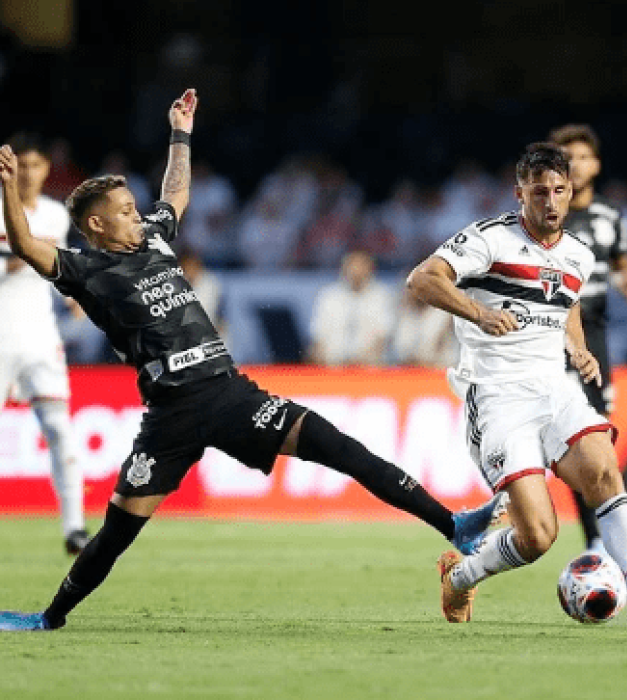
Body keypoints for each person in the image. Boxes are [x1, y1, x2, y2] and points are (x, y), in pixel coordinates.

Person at [0, 89, 502, 632]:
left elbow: (176, 190)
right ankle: (50, 617)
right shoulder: (85, 270)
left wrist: (181, 134)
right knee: (116, 533)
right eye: (123, 211)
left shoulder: (154, 241)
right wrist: (8, 189)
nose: (137, 215)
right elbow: (27, 245)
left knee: (340, 447)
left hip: (228, 391)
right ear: (96, 226)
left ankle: (454, 524)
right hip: (171, 414)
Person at [406, 142, 627, 631]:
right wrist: (479, 312)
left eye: (559, 190)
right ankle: (460, 575)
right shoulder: (489, 239)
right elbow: (422, 279)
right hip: (497, 395)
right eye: (539, 192)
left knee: (604, 473)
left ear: (570, 190)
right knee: (538, 535)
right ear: (520, 194)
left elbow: (565, 304)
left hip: (555, 388)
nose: (551, 201)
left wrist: (577, 349)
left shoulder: (578, 253)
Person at [548, 124, 627, 552]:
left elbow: (622, 263)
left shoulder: (611, 216)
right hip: (551, 334)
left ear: (597, 165)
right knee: (561, 434)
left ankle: (597, 542)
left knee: (596, 438)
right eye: (568, 157)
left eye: (584, 157)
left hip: (596, 336)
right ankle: (589, 537)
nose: (577, 164)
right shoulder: (549, 212)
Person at [0, 132, 89, 555]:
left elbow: (62, 265)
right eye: (22, 165)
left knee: (59, 428)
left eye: (37, 165)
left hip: (39, 337)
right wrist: (17, 261)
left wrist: (73, 295)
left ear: (46, 170)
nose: (29, 174)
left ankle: (74, 527)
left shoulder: (55, 214)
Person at [307, 249, 393, 366]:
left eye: (360, 266)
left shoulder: (382, 296)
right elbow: (318, 337)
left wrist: (361, 362)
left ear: (370, 268)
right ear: (343, 268)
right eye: (352, 266)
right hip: (333, 368)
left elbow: (383, 338)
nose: (356, 271)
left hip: (370, 369)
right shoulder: (328, 296)